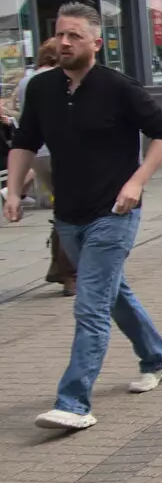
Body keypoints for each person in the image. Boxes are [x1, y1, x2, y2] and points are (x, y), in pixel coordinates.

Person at [6, 3, 162, 431]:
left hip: (114, 213)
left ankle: (74, 402)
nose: (65, 42)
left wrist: (136, 183)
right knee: (112, 291)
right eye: (60, 34)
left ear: (96, 43)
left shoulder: (118, 88)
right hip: (68, 215)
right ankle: (156, 357)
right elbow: (24, 141)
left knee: (91, 304)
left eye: (75, 35)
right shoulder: (42, 89)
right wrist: (13, 188)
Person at [13, 38, 74, 295]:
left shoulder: (27, 81)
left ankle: (62, 268)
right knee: (72, 211)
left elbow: (21, 113)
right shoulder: (59, 79)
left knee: (64, 208)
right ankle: (69, 272)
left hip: (38, 153)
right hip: (59, 150)